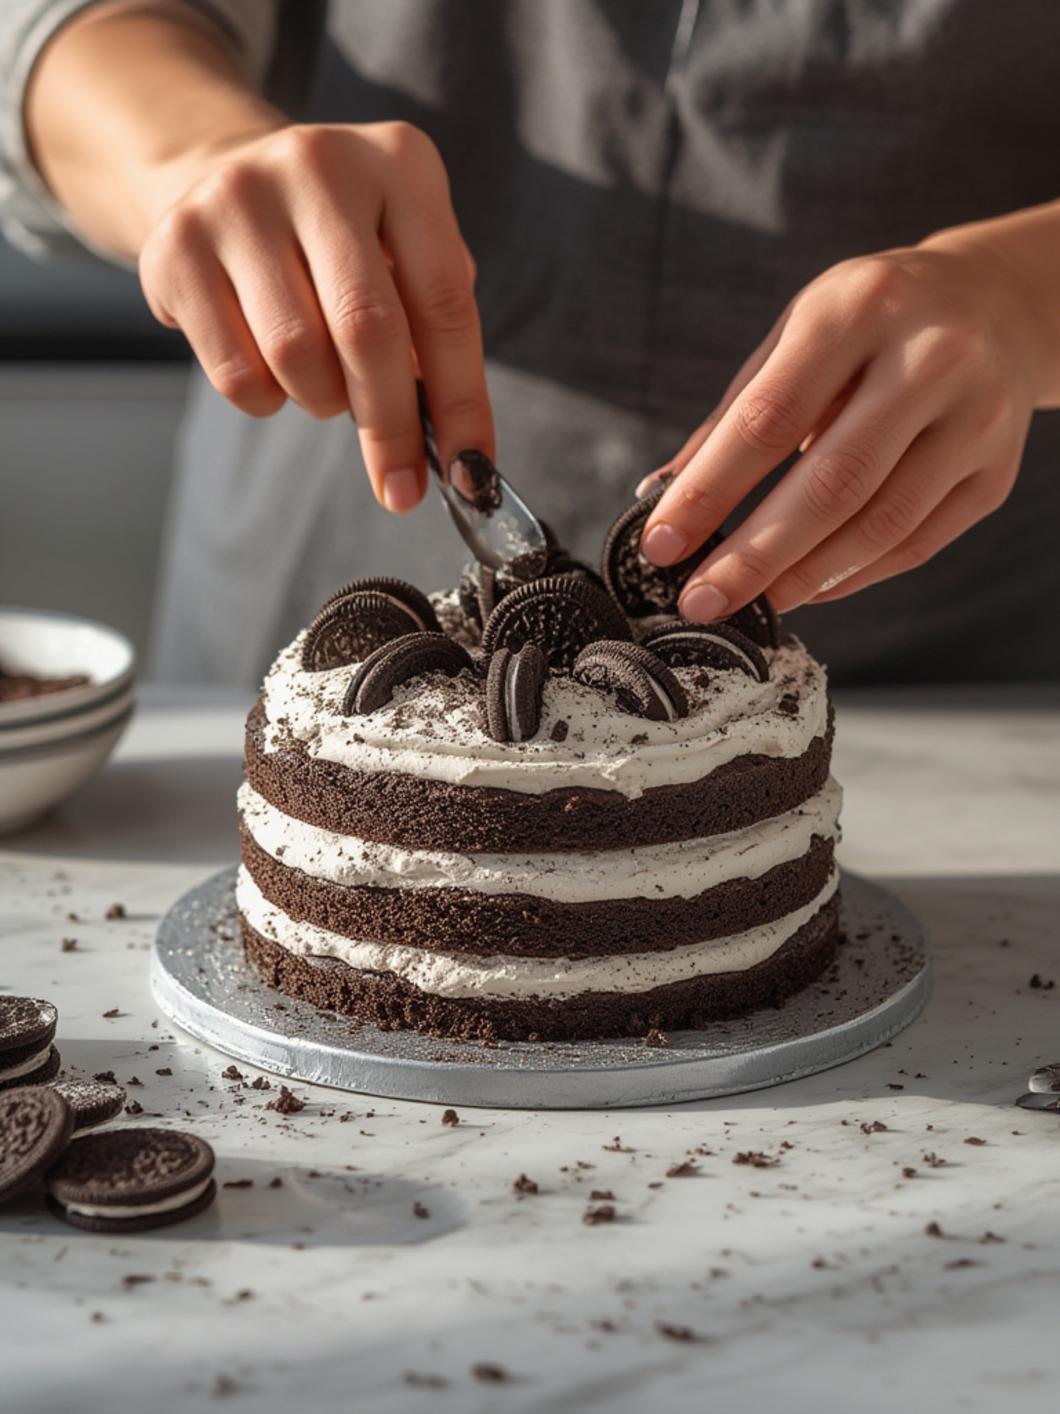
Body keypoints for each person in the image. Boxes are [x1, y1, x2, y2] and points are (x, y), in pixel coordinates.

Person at [3, 0, 1058, 685]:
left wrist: (1019, 294)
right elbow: (62, 33)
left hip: (959, 688)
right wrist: (190, 154)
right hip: (303, 614)